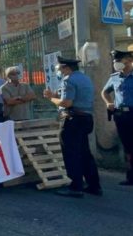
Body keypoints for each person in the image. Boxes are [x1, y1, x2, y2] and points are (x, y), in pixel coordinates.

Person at [43, 56, 101, 198]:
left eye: (59, 68)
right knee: (85, 153)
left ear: (66, 68)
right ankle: (94, 186)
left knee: (71, 154)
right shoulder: (84, 78)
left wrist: (51, 98)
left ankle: (75, 187)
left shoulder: (69, 80)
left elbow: (67, 103)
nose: (59, 71)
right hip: (86, 118)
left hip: (73, 119)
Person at [102, 48, 133, 186]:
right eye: (115, 61)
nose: (116, 63)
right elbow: (104, 92)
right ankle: (130, 177)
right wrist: (109, 102)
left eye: (119, 60)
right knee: (127, 146)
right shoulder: (115, 77)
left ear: (130, 60)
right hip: (121, 115)